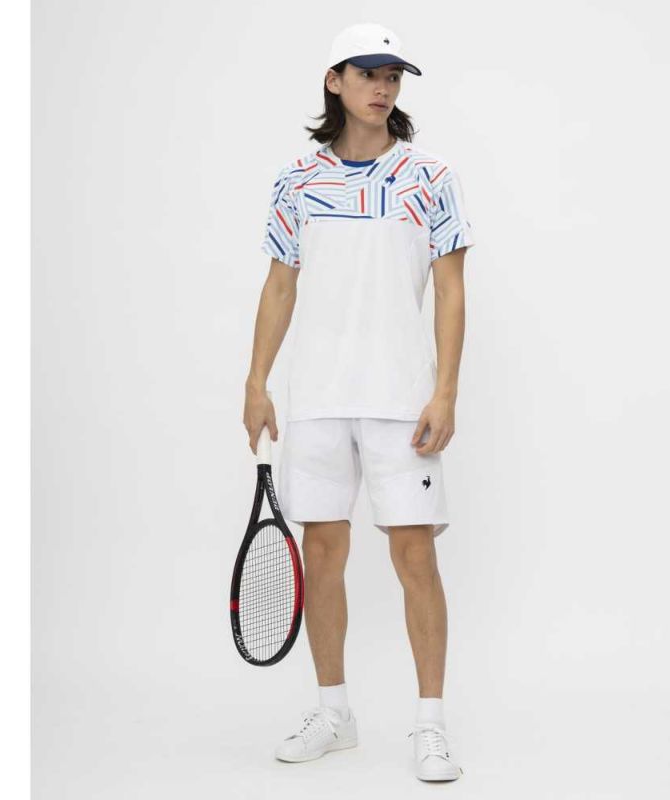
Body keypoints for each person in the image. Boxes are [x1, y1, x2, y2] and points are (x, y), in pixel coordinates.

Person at [243, 22, 475, 782]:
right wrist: (256, 382)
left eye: (393, 76)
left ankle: (430, 724)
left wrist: (445, 390)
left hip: (401, 399)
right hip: (316, 398)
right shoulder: (296, 180)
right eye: (368, 73)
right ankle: (334, 712)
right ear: (334, 80)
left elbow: (451, 289)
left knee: (415, 555)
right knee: (323, 552)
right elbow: (281, 284)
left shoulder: (431, 176)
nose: (382, 87)